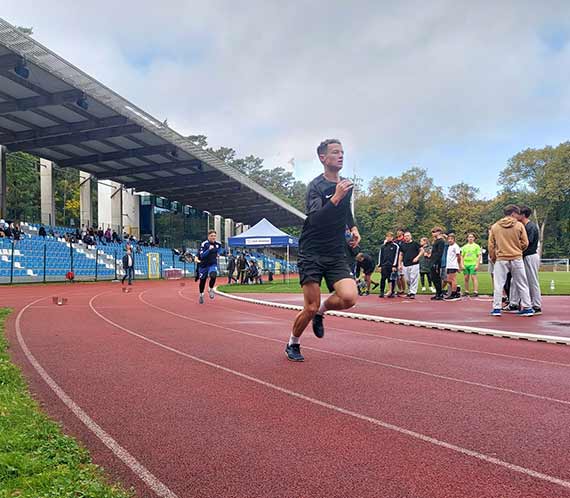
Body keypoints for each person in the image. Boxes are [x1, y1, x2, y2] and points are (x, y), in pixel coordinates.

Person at [286, 139, 360, 362]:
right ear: (322, 158)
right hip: (312, 251)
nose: (341, 156)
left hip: (335, 251)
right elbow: (316, 220)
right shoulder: (315, 187)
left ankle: (322, 313)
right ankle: (293, 343)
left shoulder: (345, 184)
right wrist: (335, 196)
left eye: (342, 152)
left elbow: (345, 211)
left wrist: (354, 228)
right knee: (309, 307)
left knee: (349, 297)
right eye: (335, 152)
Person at [488, 205, 534, 316]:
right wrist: (518, 249)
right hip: (516, 257)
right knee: (522, 283)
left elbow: (491, 245)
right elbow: (525, 243)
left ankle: (497, 308)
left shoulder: (495, 227)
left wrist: (494, 257)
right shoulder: (519, 226)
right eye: (517, 214)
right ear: (513, 214)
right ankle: (527, 307)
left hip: (501, 258)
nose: (518, 216)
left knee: (498, 284)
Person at [511, 205, 542, 314]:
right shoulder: (523, 226)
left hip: (530, 256)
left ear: (522, 215)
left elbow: (527, 243)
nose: (515, 216)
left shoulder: (531, 227)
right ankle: (513, 303)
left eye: (517, 214)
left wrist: (515, 249)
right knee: (514, 280)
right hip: (522, 256)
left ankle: (536, 305)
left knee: (532, 280)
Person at [197, 230, 222, 304]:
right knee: (202, 281)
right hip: (204, 265)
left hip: (212, 264)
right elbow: (202, 256)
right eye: (212, 236)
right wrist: (209, 250)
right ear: (208, 236)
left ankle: (211, 288)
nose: (213, 237)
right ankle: (201, 294)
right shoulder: (204, 244)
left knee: (213, 275)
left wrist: (218, 253)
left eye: (214, 236)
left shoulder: (218, 244)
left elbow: (219, 250)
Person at [399, 231, 423, 299]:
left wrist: (417, 257)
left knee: (414, 278)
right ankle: (409, 291)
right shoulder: (402, 245)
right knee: (407, 279)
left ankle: (413, 292)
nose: (407, 237)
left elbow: (422, 250)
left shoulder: (415, 243)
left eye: (408, 236)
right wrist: (399, 264)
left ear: (410, 236)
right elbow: (401, 254)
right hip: (405, 264)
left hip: (414, 264)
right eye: (405, 236)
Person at [378, 231, 400, 298]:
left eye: (390, 237)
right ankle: (382, 291)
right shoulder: (383, 246)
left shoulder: (395, 246)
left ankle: (392, 292)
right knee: (383, 278)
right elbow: (380, 256)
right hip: (384, 265)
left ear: (392, 238)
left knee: (391, 279)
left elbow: (397, 256)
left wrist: (394, 265)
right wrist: (379, 265)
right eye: (387, 236)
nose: (388, 238)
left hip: (391, 265)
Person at [429, 227, 445, 300]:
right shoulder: (436, 241)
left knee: (436, 278)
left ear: (439, 232)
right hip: (433, 261)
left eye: (434, 232)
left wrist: (436, 262)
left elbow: (439, 253)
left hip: (436, 262)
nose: (432, 233)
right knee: (433, 278)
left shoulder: (441, 241)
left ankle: (440, 293)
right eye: (432, 232)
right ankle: (438, 293)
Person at [444, 233, 461, 300]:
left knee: (453, 279)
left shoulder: (455, 246)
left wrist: (458, 265)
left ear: (454, 240)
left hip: (453, 265)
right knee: (448, 280)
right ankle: (456, 290)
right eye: (449, 239)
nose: (450, 240)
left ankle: (454, 293)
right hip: (449, 265)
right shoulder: (450, 246)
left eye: (451, 239)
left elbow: (458, 256)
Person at [394, 229, 406, 295]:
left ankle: (403, 289)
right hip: (396, 260)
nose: (398, 233)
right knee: (397, 276)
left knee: (401, 275)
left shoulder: (404, 241)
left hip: (402, 260)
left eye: (400, 233)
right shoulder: (395, 241)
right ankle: (400, 289)